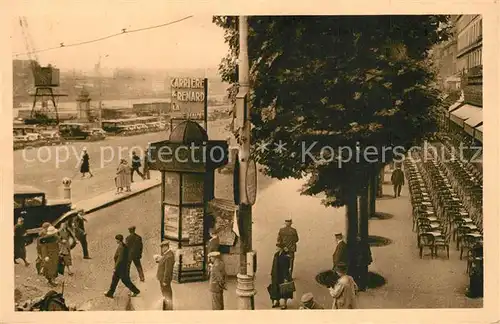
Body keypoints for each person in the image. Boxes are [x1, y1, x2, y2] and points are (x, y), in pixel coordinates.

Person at [268, 244, 293, 309]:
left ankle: (284, 304)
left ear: (281, 248)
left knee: (284, 290)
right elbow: (273, 265)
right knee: (276, 289)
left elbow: (286, 268)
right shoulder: (276, 255)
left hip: (283, 275)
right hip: (276, 275)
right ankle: (277, 301)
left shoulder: (286, 256)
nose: (276, 248)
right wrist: (272, 274)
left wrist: (286, 278)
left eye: (278, 247)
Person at [155, 240, 175, 310]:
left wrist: (165, 281)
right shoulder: (167, 254)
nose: (162, 249)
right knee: (165, 294)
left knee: (167, 294)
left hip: (164, 279)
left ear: (166, 247)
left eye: (162, 248)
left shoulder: (169, 256)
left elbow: (168, 270)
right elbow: (164, 262)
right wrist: (159, 259)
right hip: (162, 278)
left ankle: (168, 309)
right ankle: (166, 308)